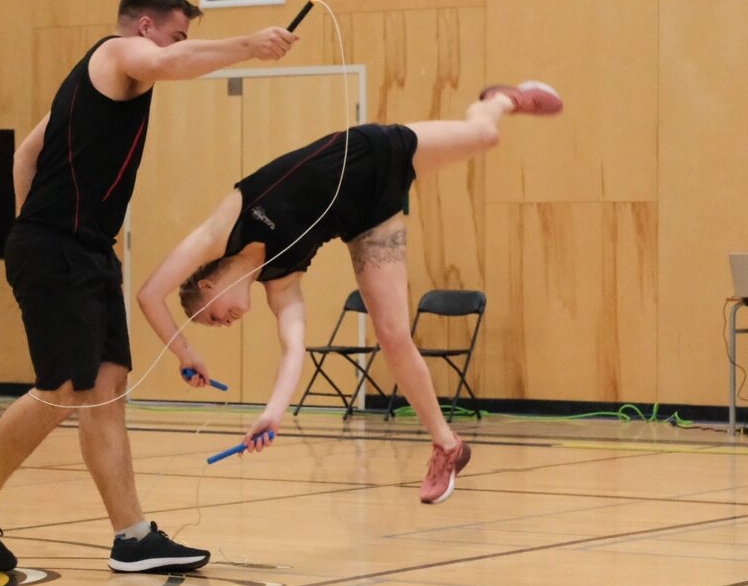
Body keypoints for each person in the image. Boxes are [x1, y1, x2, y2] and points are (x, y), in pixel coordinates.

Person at [0, 0, 299, 574]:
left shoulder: (89, 91)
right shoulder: (114, 53)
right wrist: (248, 45)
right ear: (144, 27)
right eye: (179, 33)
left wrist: (31, 225)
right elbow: (168, 62)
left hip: (84, 251)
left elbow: (25, 155)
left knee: (107, 392)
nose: (182, 46)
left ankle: (132, 537)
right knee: (61, 389)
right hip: (56, 249)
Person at [137, 81, 563, 505]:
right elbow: (293, 350)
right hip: (369, 220)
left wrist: (185, 354)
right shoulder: (280, 281)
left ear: (207, 285)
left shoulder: (222, 229)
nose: (225, 324)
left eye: (212, 316)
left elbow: (150, 294)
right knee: (393, 334)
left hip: (375, 152)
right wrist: (273, 412)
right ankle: (447, 445)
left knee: (486, 136)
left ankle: (500, 100)